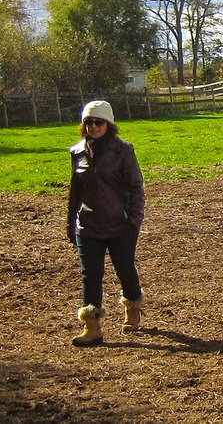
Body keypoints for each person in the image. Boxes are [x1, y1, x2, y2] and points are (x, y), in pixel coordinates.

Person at [67, 100, 146, 346]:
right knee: (90, 274)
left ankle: (132, 306)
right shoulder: (77, 152)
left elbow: (136, 188)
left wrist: (133, 222)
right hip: (87, 225)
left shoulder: (123, 150)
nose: (93, 126)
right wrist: (71, 222)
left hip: (119, 224)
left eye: (98, 121)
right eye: (88, 122)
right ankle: (92, 326)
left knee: (125, 269)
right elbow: (75, 192)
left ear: (108, 124)